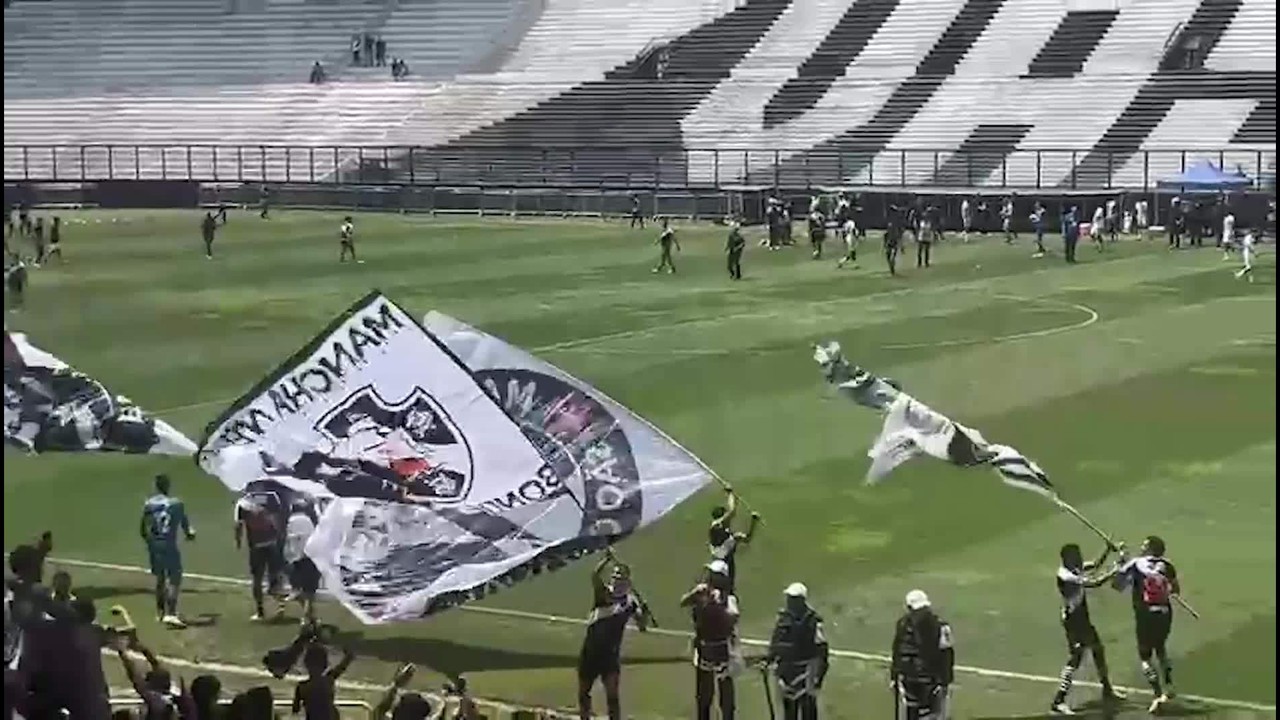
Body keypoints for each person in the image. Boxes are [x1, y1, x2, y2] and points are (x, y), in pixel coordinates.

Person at [577, 550, 652, 720]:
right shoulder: (603, 594)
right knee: (583, 693)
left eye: (620, 575)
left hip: (610, 655)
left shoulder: (630, 603)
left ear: (627, 581)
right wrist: (606, 560)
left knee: (612, 697)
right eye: (615, 574)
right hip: (590, 652)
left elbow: (642, 626)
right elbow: (594, 576)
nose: (616, 578)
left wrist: (645, 613)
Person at [1050, 543, 1124, 714]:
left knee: (1098, 650)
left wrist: (1106, 550)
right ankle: (1058, 701)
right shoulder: (1066, 576)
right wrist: (1115, 569)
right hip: (1074, 622)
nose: (1080, 557)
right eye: (1077, 555)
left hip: (1083, 619)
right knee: (1075, 659)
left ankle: (1107, 689)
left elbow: (1096, 565)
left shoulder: (1075, 568)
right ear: (1068, 558)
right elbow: (1095, 582)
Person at [1114, 536, 1181, 713]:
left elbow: (1117, 585)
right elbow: (1175, 590)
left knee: (1145, 657)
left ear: (1151, 548)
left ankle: (1158, 695)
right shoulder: (1168, 565)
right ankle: (1169, 686)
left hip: (1145, 615)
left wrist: (1121, 561)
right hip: (1165, 613)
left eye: (1144, 545)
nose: (1141, 547)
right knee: (1161, 648)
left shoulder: (1136, 563)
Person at [681, 560, 740, 720]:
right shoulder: (702, 594)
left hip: (723, 651)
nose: (710, 578)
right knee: (703, 697)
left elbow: (733, 618)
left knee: (726, 697)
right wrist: (695, 594)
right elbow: (683, 602)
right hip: (703, 650)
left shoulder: (729, 599)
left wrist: (715, 605)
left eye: (714, 575)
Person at [140, 474, 195, 628]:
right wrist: (189, 533)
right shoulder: (177, 503)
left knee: (160, 578)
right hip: (169, 544)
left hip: (155, 545)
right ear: (167, 485)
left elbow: (143, 530)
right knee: (175, 577)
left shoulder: (149, 504)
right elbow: (184, 523)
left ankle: (160, 613)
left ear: (155, 486)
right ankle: (171, 614)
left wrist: (151, 543)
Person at [767, 583, 829, 720]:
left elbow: (822, 650)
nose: (789, 601)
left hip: (807, 674)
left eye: (792, 598)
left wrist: (819, 677)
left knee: (808, 712)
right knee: (789, 714)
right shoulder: (783, 618)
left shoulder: (813, 621)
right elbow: (775, 644)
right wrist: (770, 660)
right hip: (787, 673)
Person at [891, 590, 954, 720]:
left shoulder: (901, 624)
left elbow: (897, 651)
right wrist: (946, 679)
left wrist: (894, 676)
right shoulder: (941, 625)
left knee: (912, 710)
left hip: (908, 676)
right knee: (931, 713)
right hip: (929, 677)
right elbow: (946, 653)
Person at [235, 493, 286, 622]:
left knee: (257, 579)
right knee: (275, 575)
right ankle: (280, 605)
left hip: (256, 546)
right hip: (272, 543)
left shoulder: (242, 503)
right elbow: (277, 521)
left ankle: (260, 611)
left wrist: (238, 541)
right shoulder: (271, 497)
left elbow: (238, 525)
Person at [109, 633, 180, 720]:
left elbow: (135, 677)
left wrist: (122, 651)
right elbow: (156, 665)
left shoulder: (154, 699)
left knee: (123, 715)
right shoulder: (170, 694)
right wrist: (143, 649)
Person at [707, 484, 759, 594]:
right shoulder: (715, 527)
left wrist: (753, 521)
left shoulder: (733, 537)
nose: (729, 520)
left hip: (729, 566)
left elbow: (747, 538)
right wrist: (730, 494)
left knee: (728, 590)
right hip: (718, 566)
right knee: (716, 590)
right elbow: (732, 512)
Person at [292, 640, 355, 720]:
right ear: (325, 665)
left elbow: (295, 710)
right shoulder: (328, 680)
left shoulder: (302, 687)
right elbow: (344, 663)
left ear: (306, 664)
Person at [284, 500, 321, 626]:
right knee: (310, 592)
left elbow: (289, 542)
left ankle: (310, 617)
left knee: (300, 591)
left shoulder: (290, 521)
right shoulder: (308, 520)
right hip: (310, 557)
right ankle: (307, 618)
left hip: (296, 559)